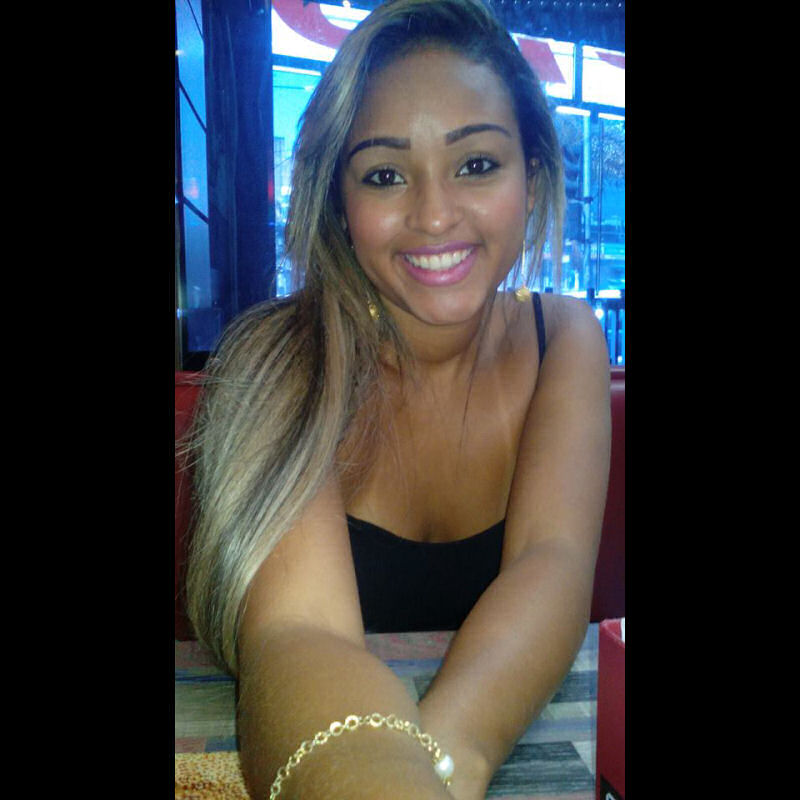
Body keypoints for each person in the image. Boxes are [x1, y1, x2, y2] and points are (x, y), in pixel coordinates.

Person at [184, 0, 611, 797]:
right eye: (384, 175)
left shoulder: (566, 340)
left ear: (533, 178)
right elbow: (299, 636)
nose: (435, 214)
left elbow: (551, 566)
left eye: (476, 164)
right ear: (339, 206)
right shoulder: (276, 361)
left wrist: (445, 762)